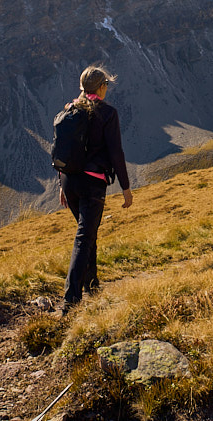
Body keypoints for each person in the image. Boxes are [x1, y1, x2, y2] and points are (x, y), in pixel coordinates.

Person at [58, 65, 133, 315]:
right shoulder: (107, 113)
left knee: (88, 234)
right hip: (92, 183)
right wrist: (126, 187)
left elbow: (64, 148)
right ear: (101, 87)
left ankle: (92, 286)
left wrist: (62, 184)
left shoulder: (70, 110)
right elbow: (116, 152)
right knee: (84, 237)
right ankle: (71, 301)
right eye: (106, 85)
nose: (107, 88)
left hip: (70, 182)